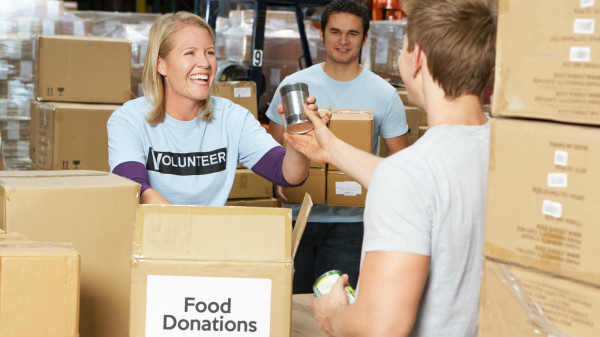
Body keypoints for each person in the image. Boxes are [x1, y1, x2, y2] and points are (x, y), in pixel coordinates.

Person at [284, 0, 496, 335]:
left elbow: (379, 327)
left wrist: (333, 313)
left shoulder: (410, 173)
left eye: (404, 48)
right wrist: (332, 148)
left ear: (419, 59)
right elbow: (417, 182)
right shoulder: (503, 151)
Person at [265, 0, 409, 293]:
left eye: (353, 33)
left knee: (339, 309)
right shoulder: (295, 87)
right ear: (322, 33)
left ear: (365, 38)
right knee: (288, 308)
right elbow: (273, 148)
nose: (343, 41)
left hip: (352, 225)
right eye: (335, 31)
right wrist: (276, 183)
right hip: (296, 218)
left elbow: (400, 157)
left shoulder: (384, 94)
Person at [107, 11, 316, 205]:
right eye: (190, 53)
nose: (205, 63)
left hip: (209, 239)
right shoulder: (129, 119)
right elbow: (134, 188)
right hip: (151, 238)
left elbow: (287, 174)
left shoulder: (232, 118)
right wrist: (187, 231)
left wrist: (301, 138)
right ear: (161, 65)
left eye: (210, 52)